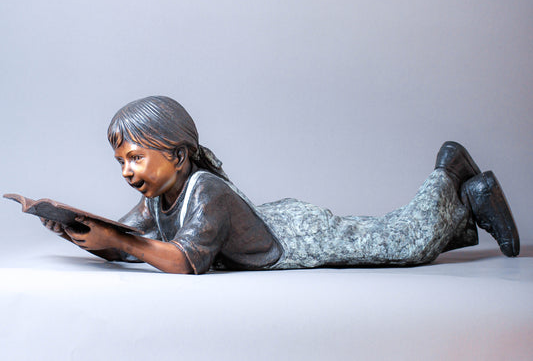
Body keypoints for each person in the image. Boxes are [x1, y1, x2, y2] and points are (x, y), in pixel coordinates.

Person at [42, 96, 520, 274]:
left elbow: (186, 262)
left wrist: (118, 240)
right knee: (405, 238)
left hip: (300, 238)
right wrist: (79, 230)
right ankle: (468, 201)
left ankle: (449, 171)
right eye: (121, 161)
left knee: (404, 241)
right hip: (277, 222)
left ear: (179, 155)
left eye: (136, 158)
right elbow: (124, 241)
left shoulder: (204, 189)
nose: (127, 171)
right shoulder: (159, 196)